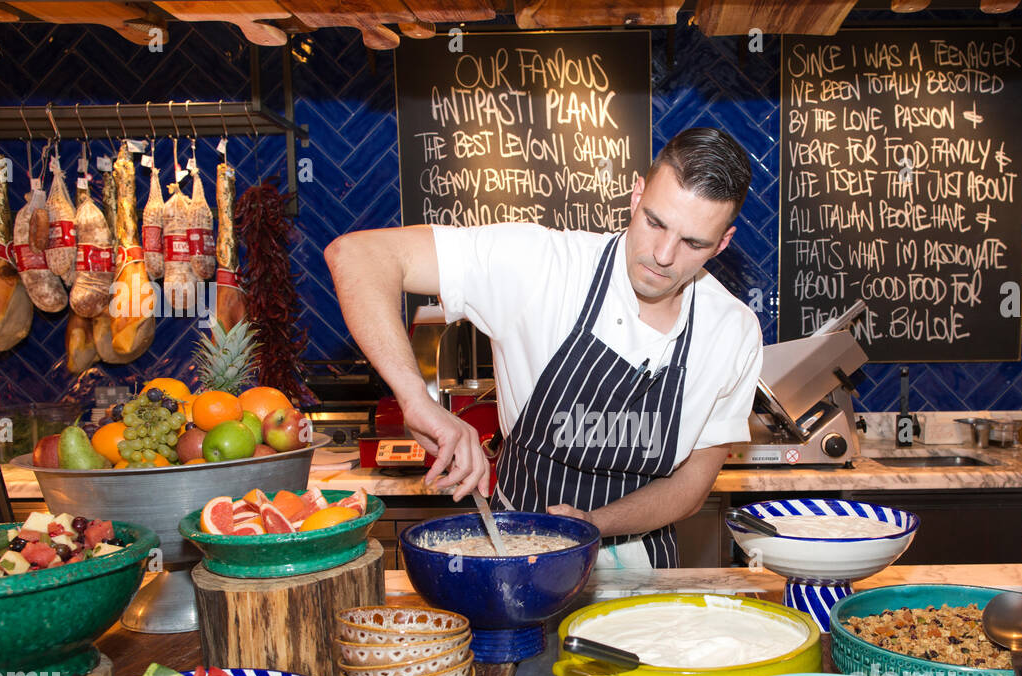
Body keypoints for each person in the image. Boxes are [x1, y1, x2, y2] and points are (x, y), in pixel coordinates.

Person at [325, 127, 763, 568]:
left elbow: (692, 486)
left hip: (641, 573)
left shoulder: (732, 332)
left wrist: (592, 522)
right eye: (654, 221)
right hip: (512, 553)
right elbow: (358, 255)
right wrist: (415, 397)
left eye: (693, 243)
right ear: (636, 194)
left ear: (723, 242)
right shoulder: (542, 266)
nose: (663, 255)